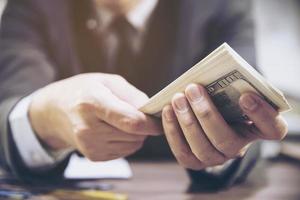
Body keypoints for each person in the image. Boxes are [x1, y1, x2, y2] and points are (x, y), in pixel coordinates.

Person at [0, 0, 288, 190]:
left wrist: (225, 149)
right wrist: (46, 118)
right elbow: (9, 108)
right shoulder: (34, 6)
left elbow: (250, 106)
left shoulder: (220, 5)